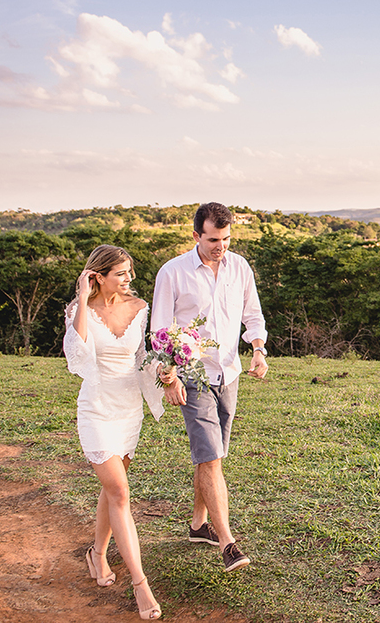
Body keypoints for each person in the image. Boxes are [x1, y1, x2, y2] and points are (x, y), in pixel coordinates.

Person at [151, 202, 269, 572]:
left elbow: (252, 312)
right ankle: (227, 542)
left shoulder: (239, 267)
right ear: (196, 236)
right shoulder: (172, 273)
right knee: (210, 457)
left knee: (214, 454)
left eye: (227, 238)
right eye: (214, 239)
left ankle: (198, 525)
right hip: (192, 375)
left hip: (229, 373)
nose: (221, 246)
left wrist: (259, 350)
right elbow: (160, 330)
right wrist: (167, 376)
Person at [64, 244, 165, 620]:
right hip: (96, 407)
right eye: (121, 273)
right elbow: (76, 356)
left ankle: (98, 553)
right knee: (120, 491)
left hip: (128, 409)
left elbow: (142, 358)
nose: (128, 279)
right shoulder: (80, 311)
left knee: (113, 488)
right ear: (98, 275)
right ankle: (141, 584)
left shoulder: (139, 309)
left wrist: (164, 374)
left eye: (129, 272)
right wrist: (80, 299)